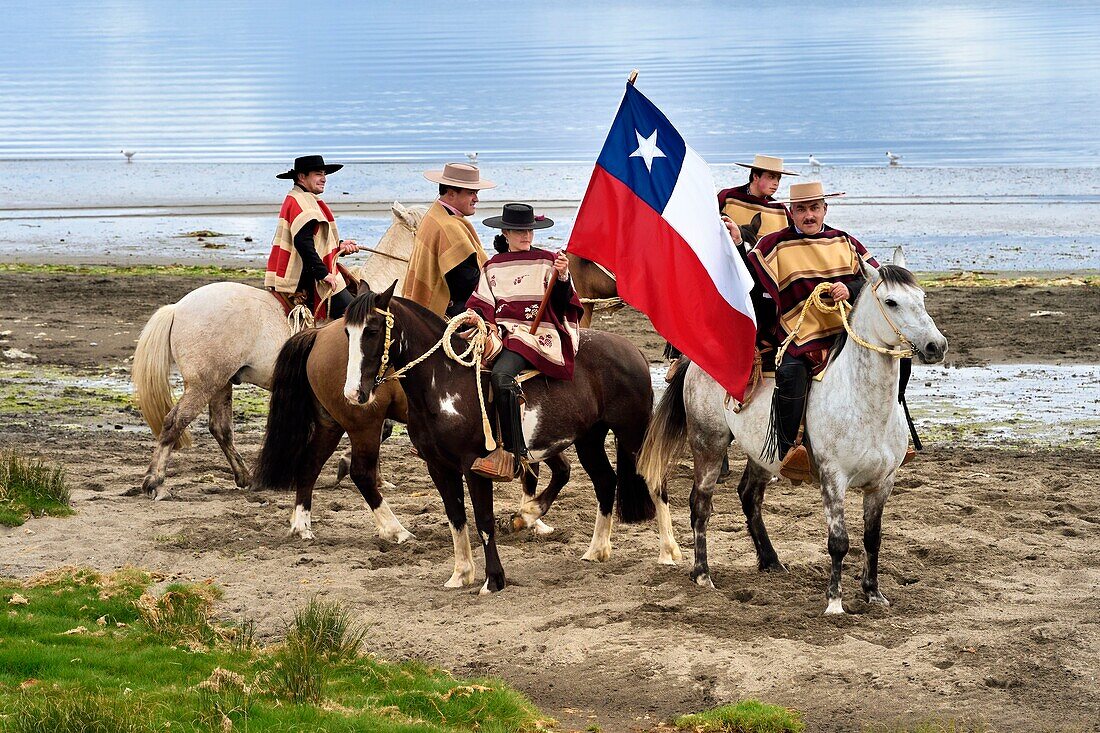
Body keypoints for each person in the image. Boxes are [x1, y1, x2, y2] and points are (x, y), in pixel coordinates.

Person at [747, 181, 878, 483]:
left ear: (825, 210)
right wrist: (740, 242)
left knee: (895, 358)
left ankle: (892, 437)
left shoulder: (845, 241)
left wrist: (852, 287)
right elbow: (746, 276)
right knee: (792, 372)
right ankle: (787, 450)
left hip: (845, 330)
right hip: (798, 333)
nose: (809, 215)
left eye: (815, 208)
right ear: (791, 212)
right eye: (802, 209)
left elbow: (875, 280)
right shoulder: (774, 245)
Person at [463, 203, 583, 481]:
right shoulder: (491, 266)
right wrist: (477, 319)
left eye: (528, 230)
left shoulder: (549, 261)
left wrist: (563, 277)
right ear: (506, 232)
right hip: (501, 333)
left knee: (502, 376)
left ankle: (514, 455)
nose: (525, 235)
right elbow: (482, 304)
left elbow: (565, 302)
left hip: (538, 334)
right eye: (519, 231)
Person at [265, 155, 360, 320]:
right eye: (318, 174)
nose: (324, 179)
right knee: (358, 316)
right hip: (304, 278)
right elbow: (303, 243)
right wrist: (324, 274)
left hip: (300, 270)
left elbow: (313, 239)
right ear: (302, 177)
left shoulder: (298, 198)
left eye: (324, 174)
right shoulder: (302, 202)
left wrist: (340, 246)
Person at [402, 162, 496, 317]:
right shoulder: (448, 226)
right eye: (471, 193)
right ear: (451, 194)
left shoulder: (434, 214)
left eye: (476, 193)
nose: (476, 199)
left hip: (422, 304)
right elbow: (467, 280)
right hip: (446, 311)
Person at [719, 154, 797, 254]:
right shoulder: (728, 197)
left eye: (778, 178)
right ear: (756, 176)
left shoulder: (780, 209)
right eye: (771, 177)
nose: (776, 183)